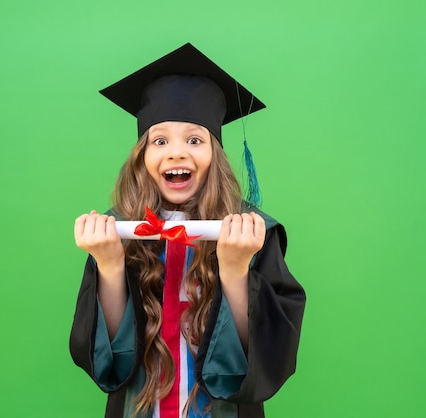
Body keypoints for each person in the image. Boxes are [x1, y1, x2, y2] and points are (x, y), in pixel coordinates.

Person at [69, 43, 306, 418]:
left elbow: (265, 359)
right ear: (142, 158)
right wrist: (110, 265)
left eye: (194, 140)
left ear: (216, 154)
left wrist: (234, 269)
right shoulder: (121, 231)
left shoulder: (255, 234)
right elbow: (109, 362)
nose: (177, 153)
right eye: (159, 140)